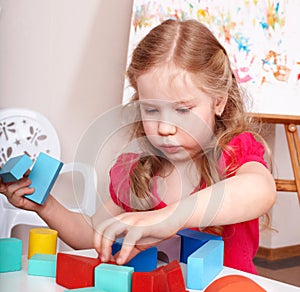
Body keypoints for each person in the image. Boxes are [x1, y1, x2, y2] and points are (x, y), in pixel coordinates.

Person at [0, 19, 276, 274]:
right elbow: (90, 235)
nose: (165, 128)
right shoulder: (137, 169)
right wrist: (45, 205)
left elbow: (259, 190)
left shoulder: (235, 152)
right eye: (152, 110)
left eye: (183, 110)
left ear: (218, 102)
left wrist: (169, 218)